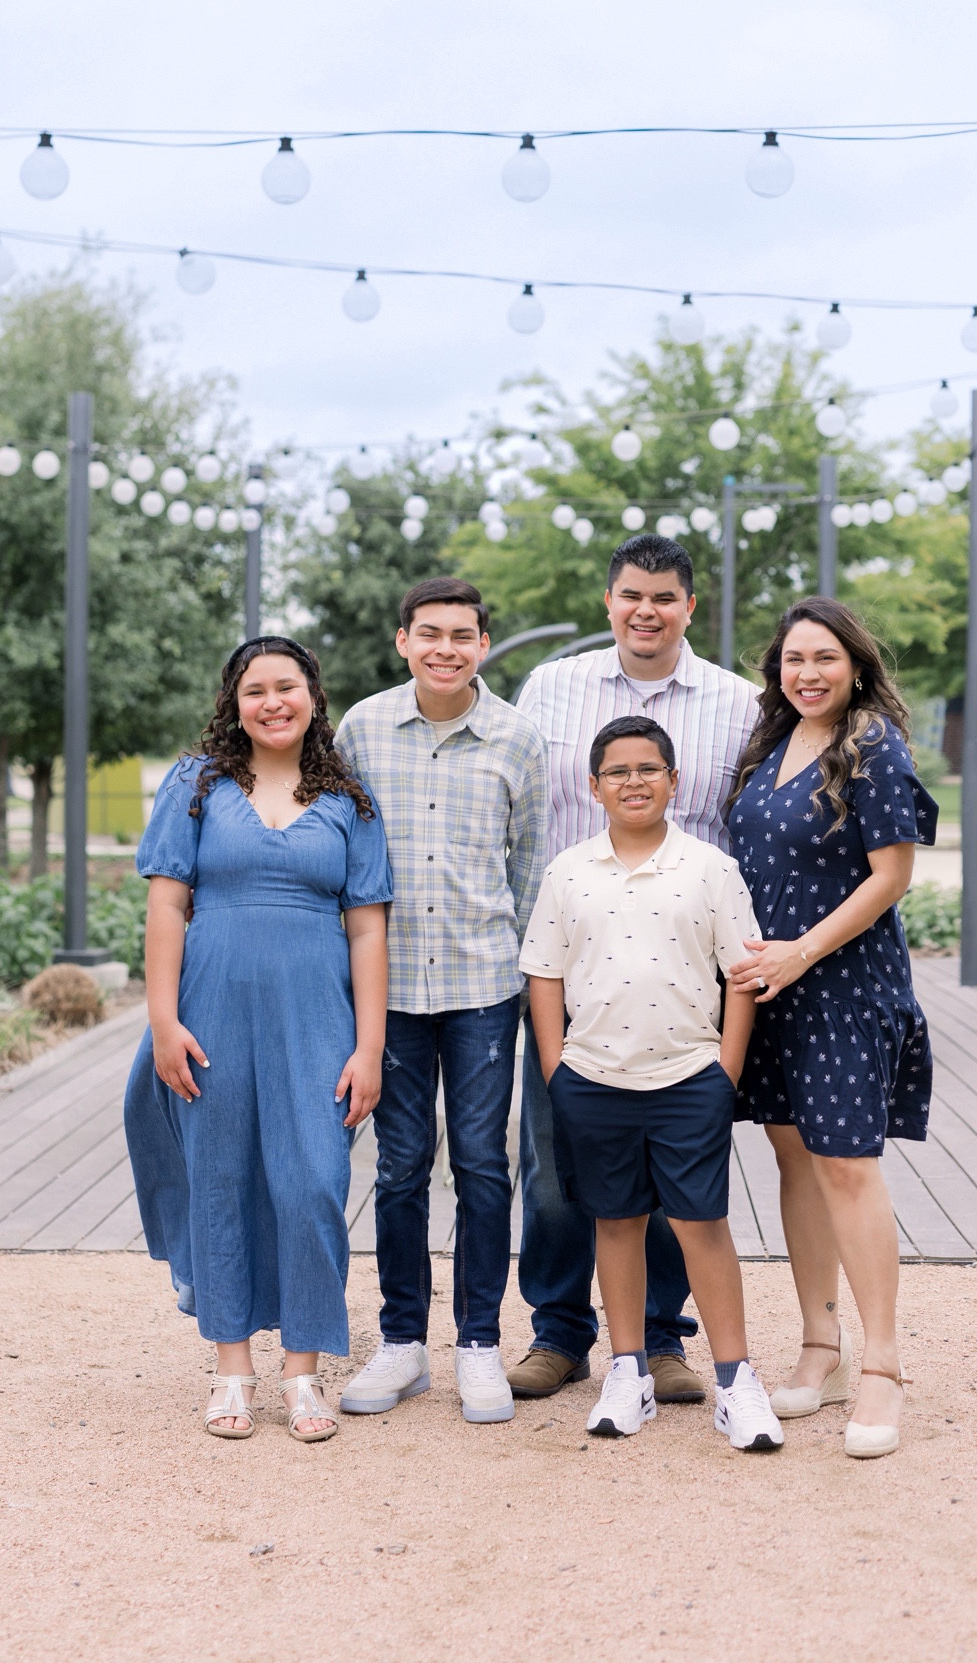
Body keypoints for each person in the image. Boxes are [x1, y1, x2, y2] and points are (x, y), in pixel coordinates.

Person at [509, 532, 759, 1404]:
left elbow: (749, 834)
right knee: (551, 1171)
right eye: (630, 595)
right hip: (573, 965)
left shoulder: (739, 703)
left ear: (690, 607)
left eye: (663, 597)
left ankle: (657, 1339)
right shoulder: (552, 687)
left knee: (670, 1180)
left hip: (682, 980)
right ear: (608, 601)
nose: (645, 611)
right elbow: (527, 815)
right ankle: (558, 1333)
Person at [124, 636, 391, 1443]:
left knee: (312, 1181)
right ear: (233, 703)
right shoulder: (194, 785)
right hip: (209, 1011)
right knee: (222, 1177)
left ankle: (303, 1371)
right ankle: (233, 1368)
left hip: (315, 1016)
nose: (272, 702)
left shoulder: (349, 798)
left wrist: (369, 1046)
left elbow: (368, 931)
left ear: (314, 695)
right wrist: (163, 1021)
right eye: (255, 690)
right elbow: (167, 906)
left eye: (287, 686)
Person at [522, 717, 783, 1450]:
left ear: (673, 780)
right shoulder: (568, 871)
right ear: (593, 786)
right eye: (617, 771)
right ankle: (626, 1369)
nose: (633, 782)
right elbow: (543, 972)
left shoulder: (708, 868)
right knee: (616, 1223)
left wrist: (724, 1069)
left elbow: (742, 973)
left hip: (688, 1075)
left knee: (701, 1225)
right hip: (592, 1077)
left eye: (648, 769)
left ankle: (736, 1381)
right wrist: (556, 1070)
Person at [723, 597, 936, 1459]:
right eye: (792, 660)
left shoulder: (872, 748)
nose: (806, 674)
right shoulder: (770, 748)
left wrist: (801, 953)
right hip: (770, 991)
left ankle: (881, 1369)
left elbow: (891, 876)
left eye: (824, 658)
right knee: (793, 1164)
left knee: (846, 1167)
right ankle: (821, 1347)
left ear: (854, 665)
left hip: (842, 984)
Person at [335, 578, 548, 1424]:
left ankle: (479, 1346)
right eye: (430, 634)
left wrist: (537, 991)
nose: (446, 649)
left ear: (483, 644)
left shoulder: (516, 740)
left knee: (484, 1166)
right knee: (396, 1168)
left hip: (482, 986)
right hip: (388, 993)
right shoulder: (360, 728)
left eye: (462, 635)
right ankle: (400, 1343)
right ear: (402, 641)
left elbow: (528, 868)